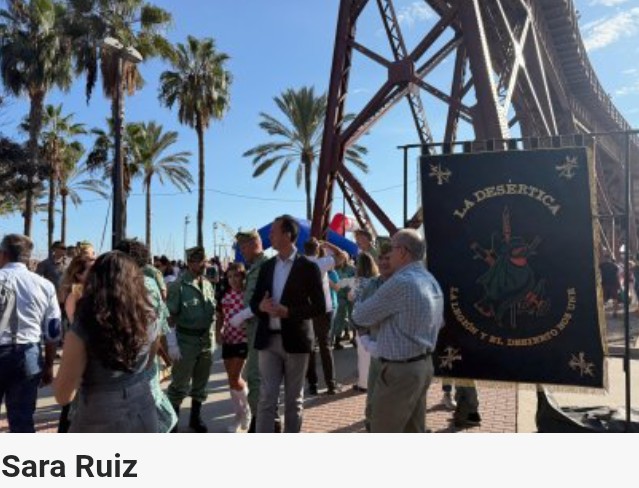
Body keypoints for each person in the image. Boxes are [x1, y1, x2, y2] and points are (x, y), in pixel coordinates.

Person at [53, 251, 159, 432]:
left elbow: (63, 396)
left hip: (99, 415)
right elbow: (149, 362)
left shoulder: (84, 324)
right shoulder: (148, 315)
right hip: (144, 408)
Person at [352, 229, 444, 433]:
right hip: (422, 364)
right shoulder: (429, 279)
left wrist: (364, 309)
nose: (389, 254)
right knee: (414, 430)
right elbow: (440, 322)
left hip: (400, 371)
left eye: (392, 249)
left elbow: (360, 317)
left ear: (402, 252)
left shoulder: (400, 282)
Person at [249, 215, 325, 433]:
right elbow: (254, 302)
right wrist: (261, 306)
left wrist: (289, 312)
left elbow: (319, 307)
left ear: (287, 235)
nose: (270, 235)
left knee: (293, 400)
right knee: (266, 397)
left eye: (274, 231)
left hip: (296, 341)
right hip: (268, 341)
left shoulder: (308, 267)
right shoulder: (267, 267)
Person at [0, 234, 62, 432]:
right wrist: (49, 365)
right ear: (27, 257)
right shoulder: (44, 285)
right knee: (22, 420)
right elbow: (53, 330)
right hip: (27, 355)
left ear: (3, 254)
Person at [115, 239, 177, 433]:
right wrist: (163, 354)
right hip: (144, 361)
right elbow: (160, 327)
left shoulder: (107, 284)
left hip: (118, 363)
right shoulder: (149, 283)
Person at [165, 246, 216, 433]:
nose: (202, 265)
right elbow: (169, 317)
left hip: (206, 341)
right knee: (179, 385)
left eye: (204, 261)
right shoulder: (178, 286)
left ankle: (195, 418)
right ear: (189, 263)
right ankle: (173, 423)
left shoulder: (208, 284)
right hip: (186, 341)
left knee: (201, 384)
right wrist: (172, 343)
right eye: (198, 261)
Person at [231, 229, 274, 433]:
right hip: (254, 329)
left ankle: (262, 423)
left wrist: (243, 315)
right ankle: (265, 420)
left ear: (255, 244)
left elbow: (264, 299)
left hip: (262, 328)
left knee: (257, 378)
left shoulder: (265, 265)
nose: (242, 252)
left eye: (244, 247)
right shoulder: (255, 267)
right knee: (255, 377)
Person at [353, 242, 392, 431]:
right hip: (377, 353)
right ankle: (370, 426)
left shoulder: (404, 283)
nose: (383, 262)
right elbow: (358, 314)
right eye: (381, 258)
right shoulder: (371, 284)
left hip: (401, 356)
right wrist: (365, 340)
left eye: (388, 258)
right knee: (373, 400)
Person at [55, 254, 96, 432]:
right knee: (71, 406)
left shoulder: (94, 292)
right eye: (91, 269)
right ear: (79, 274)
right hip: (82, 353)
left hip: (91, 354)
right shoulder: (76, 294)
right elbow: (77, 326)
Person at [303, 238, 345, 395]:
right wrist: (328, 245)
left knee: (310, 348)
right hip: (324, 309)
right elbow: (342, 256)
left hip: (307, 310)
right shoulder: (322, 263)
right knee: (325, 346)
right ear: (317, 249)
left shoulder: (299, 264)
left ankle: (312, 385)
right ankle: (331, 384)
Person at [216, 263, 252, 432]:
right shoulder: (225, 295)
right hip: (228, 340)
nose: (233, 280)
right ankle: (238, 416)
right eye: (230, 276)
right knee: (231, 380)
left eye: (236, 276)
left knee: (236, 378)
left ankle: (247, 410)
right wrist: (218, 332)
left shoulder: (248, 295)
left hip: (243, 340)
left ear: (243, 277)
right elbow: (220, 316)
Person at [349, 252, 379, 393]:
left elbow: (351, 296)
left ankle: (364, 383)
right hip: (375, 318)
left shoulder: (358, 281)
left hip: (361, 319)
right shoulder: (377, 280)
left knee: (363, 352)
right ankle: (375, 381)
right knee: (374, 351)